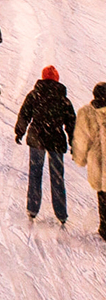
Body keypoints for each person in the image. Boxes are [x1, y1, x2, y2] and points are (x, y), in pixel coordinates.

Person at [15, 65, 76, 224]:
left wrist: (20, 131)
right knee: (57, 177)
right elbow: (71, 123)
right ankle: (61, 214)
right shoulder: (63, 99)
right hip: (55, 139)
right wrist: (73, 142)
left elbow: (25, 113)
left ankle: (32, 209)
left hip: (37, 138)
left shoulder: (34, 95)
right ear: (57, 79)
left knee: (35, 173)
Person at [72, 82, 106, 241]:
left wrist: (80, 157)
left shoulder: (86, 112)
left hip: (97, 161)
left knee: (102, 194)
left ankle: (105, 227)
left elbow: (81, 138)